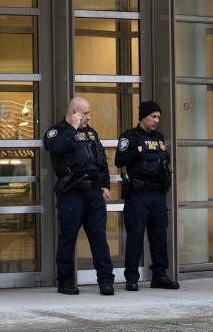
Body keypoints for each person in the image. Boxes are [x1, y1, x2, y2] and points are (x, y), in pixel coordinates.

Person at [44, 96, 115, 295]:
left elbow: (101, 161)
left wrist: (105, 185)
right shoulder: (56, 132)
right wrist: (72, 129)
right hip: (71, 193)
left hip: (93, 193)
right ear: (74, 113)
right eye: (85, 113)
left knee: (99, 237)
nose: (89, 118)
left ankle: (106, 280)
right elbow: (55, 148)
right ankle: (66, 281)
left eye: (89, 113)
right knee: (68, 238)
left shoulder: (92, 134)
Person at [115, 100, 179, 291]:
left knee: (159, 235)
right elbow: (120, 160)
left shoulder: (159, 137)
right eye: (153, 116)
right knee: (135, 237)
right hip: (138, 194)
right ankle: (131, 278)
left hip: (157, 194)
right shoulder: (130, 136)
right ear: (143, 117)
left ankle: (159, 275)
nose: (156, 120)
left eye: (158, 117)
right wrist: (139, 150)